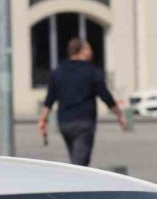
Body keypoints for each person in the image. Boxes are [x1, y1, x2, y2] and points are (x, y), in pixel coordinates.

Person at [38, 38, 127, 166]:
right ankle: (75, 178)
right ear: (83, 51)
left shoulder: (58, 72)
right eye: (89, 48)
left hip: (64, 123)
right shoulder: (92, 72)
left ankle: (75, 175)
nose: (91, 52)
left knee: (76, 159)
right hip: (84, 123)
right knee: (80, 164)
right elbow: (106, 97)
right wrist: (119, 115)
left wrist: (42, 119)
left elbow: (49, 99)